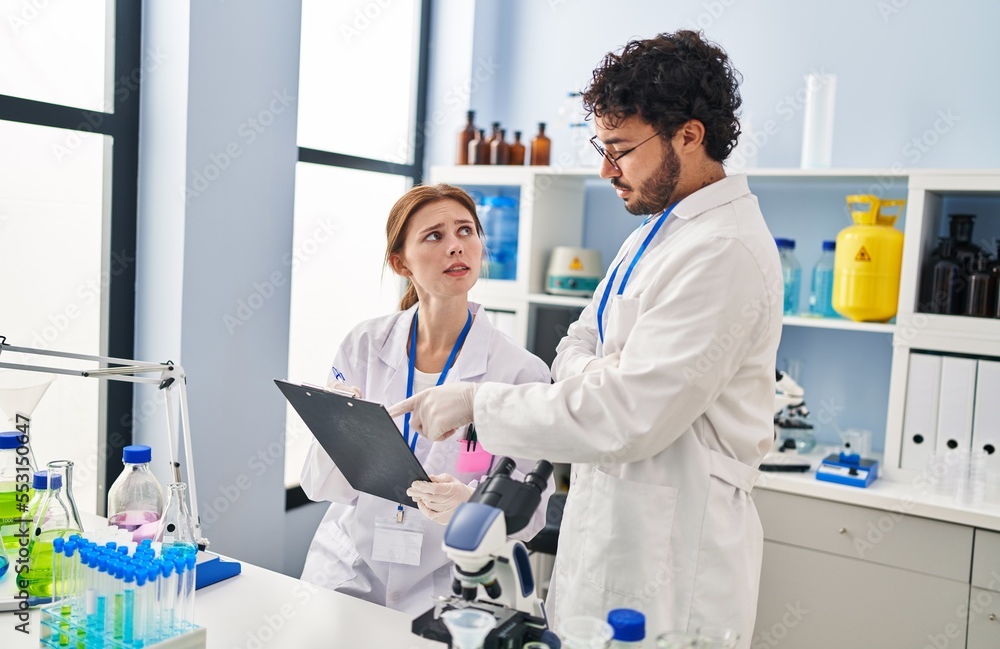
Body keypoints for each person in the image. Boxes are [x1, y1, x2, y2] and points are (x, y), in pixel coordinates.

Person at [389, 31, 782, 646]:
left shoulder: (722, 250)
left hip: (676, 567)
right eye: (603, 146)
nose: (606, 169)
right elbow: (575, 345)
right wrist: (604, 378)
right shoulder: (654, 233)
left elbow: (627, 414)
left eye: (621, 149)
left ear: (689, 134)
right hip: (611, 540)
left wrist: (477, 402)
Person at [299, 184, 553, 614]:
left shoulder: (521, 372)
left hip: (450, 581)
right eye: (434, 236)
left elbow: (531, 516)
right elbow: (319, 486)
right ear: (401, 262)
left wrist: (470, 505)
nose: (456, 246)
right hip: (349, 569)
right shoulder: (364, 344)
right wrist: (337, 432)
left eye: (466, 231)